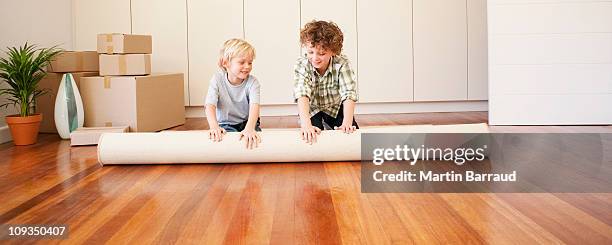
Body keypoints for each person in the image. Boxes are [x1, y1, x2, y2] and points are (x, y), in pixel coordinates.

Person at [293, 20, 359, 144]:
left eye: (322, 53)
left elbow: (348, 93)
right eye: (310, 52)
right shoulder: (302, 64)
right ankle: (318, 123)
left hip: (335, 107)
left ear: (333, 51)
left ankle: (332, 124)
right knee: (311, 137)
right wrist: (306, 125)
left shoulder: (342, 63)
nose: (315, 58)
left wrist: (347, 123)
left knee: (350, 137)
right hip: (312, 109)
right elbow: (302, 93)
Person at [205, 38, 261, 149]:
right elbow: (209, 105)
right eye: (242, 62)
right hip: (226, 124)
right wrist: (214, 126)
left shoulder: (253, 82)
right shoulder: (217, 79)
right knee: (227, 145)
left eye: (250, 62)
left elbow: (255, 106)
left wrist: (250, 128)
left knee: (254, 140)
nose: (247, 66)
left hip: (247, 121)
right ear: (225, 63)